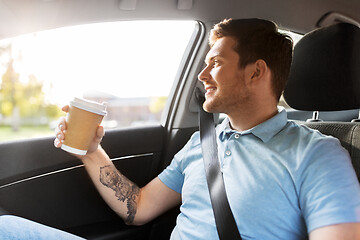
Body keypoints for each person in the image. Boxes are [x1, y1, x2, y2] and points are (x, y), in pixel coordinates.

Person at [1, 18, 360, 240]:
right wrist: (92, 152)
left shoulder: (318, 155)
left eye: (215, 63)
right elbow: (137, 208)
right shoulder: (201, 143)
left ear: (256, 72)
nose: (202, 77)